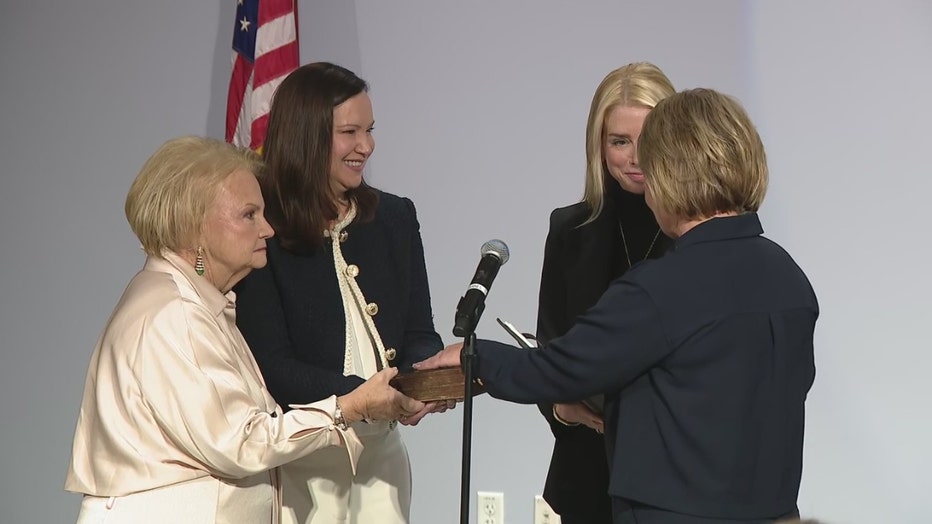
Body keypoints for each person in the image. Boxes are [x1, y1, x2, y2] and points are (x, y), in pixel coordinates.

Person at [416, 88, 818, 524]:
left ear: (670, 174)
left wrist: (475, 356)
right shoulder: (788, 275)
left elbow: (557, 369)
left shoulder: (662, 288)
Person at [64, 136, 424, 524]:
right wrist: (348, 407)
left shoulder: (195, 301)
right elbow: (241, 441)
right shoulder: (176, 313)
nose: (268, 229)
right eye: (249, 215)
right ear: (194, 226)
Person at [234, 62, 448, 524]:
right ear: (306, 135)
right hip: (299, 459)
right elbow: (271, 365)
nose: (366, 146)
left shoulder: (394, 217)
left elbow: (418, 330)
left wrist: (426, 380)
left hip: (383, 457)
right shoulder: (263, 228)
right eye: (350, 132)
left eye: (369, 130)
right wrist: (365, 397)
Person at [535, 61, 676, 524]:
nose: (636, 157)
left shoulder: (697, 233)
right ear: (599, 145)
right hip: (586, 473)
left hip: (675, 476)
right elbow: (549, 350)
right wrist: (562, 408)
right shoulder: (570, 229)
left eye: (650, 138)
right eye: (620, 141)